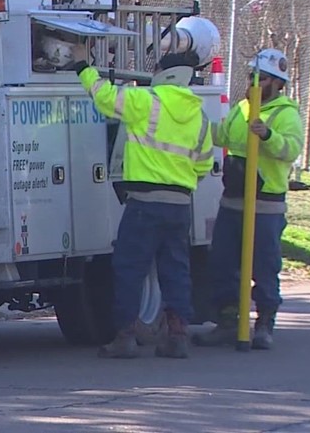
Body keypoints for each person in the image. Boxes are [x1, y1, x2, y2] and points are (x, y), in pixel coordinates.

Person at [71, 52, 214, 359]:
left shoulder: (147, 102)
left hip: (144, 205)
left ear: (165, 73)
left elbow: (105, 97)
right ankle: (177, 335)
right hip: (179, 206)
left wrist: (83, 67)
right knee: (175, 270)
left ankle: (124, 337)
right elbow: (203, 165)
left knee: (129, 268)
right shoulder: (199, 117)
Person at [193, 48, 303, 350]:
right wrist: (196, 126)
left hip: (265, 203)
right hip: (233, 200)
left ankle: (265, 322)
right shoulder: (242, 108)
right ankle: (228, 321)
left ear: (278, 83)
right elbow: (223, 136)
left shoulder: (285, 113)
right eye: (252, 75)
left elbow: (291, 150)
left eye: (262, 77)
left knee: (264, 265)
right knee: (223, 262)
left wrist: (268, 135)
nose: (255, 81)